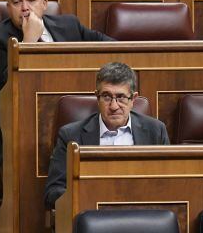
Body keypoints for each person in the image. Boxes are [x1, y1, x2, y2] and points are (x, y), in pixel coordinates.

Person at [44, 62, 170, 210]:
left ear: (133, 99)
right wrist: (92, 200)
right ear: (97, 97)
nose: (114, 106)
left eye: (121, 97)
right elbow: (53, 193)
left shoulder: (155, 131)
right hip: (93, 216)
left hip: (140, 215)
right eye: (106, 97)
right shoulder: (71, 135)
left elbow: (166, 186)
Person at [0, 0, 113, 95]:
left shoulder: (69, 25)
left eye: (31, 0)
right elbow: (1, 88)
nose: (25, 7)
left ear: (44, 4)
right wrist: (28, 43)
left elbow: (113, 47)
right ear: (8, 8)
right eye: (16, 2)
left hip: (77, 96)